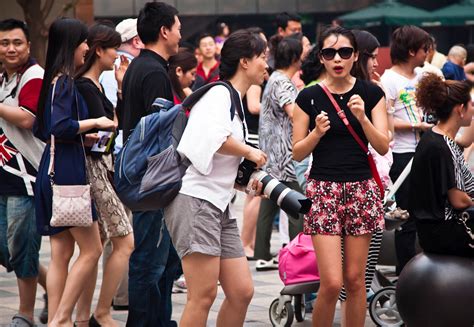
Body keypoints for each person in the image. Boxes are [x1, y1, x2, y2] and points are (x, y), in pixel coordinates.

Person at [164, 28, 268, 327]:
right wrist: (250, 151)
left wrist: (247, 181)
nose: (266, 64)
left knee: (242, 291)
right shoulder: (219, 94)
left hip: (218, 204)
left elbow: (216, 156)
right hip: (197, 201)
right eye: (262, 57)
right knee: (203, 295)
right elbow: (214, 138)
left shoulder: (232, 98)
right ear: (245, 62)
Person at [293, 26, 389, 327]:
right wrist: (316, 134)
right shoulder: (307, 96)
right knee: (333, 282)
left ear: (355, 55)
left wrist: (361, 118)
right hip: (323, 189)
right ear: (321, 57)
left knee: (356, 280)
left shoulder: (371, 93)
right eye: (330, 53)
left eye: (345, 52)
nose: (338, 59)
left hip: (361, 188)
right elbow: (296, 152)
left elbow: (383, 144)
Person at [33, 18, 116, 326]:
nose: (86, 48)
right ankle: (62, 319)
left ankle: (59, 320)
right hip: (66, 173)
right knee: (92, 249)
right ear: (72, 44)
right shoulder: (65, 82)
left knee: (61, 253)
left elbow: (46, 129)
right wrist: (95, 123)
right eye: (83, 42)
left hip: (52, 169)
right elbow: (58, 126)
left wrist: (82, 134)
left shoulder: (53, 81)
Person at [120, 2, 181, 326]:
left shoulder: (140, 67)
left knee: (163, 263)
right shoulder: (154, 72)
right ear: (164, 31)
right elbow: (159, 137)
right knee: (149, 264)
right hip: (151, 184)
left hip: (142, 180)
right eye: (178, 27)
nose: (180, 34)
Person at [74, 24, 134, 327]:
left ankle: (84, 317)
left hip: (102, 166)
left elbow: (114, 127)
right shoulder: (84, 86)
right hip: (93, 169)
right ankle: (101, 313)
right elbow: (100, 131)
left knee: (94, 249)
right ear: (99, 50)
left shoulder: (95, 85)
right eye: (114, 49)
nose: (118, 55)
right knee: (124, 241)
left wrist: (121, 89)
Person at [0, 18, 48, 326]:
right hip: (4, 177)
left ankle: (26, 314)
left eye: (17, 42)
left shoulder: (33, 76)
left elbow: (27, 118)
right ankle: (55, 288)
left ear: (28, 45)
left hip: (26, 178)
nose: (11, 48)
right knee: (9, 250)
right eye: (4, 43)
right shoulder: (3, 80)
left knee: (22, 249)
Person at [380, 25, 432, 276]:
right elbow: (385, 121)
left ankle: (426, 271)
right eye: (424, 49)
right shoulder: (388, 80)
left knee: (428, 214)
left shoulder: (424, 76)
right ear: (412, 51)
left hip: (425, 151)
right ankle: (405, 275)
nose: (427, 53)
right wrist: (416, 124)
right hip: (402, 155)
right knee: (406, 218)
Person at [254, 34, 304, 271]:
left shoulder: (273, 78)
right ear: (294, 58)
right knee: (297, 205)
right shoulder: (283, 82)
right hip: (284, 155)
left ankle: (262, 253)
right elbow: (293, 112)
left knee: (269, 204)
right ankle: (298, 253)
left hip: (271, 152)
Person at [409, 73, 474, 257]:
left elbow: (466, 142)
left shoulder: (433, 137)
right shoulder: (444, 146)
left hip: (432, 230)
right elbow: (459, 200)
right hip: (446, 231)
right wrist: (470, 201)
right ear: (460, 110)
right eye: (471, 105)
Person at [100, 18, 144, 156]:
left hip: (119, 148)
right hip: (119, 150)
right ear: (136, 41)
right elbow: (109, 116)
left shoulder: (112, 65)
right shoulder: (119, 67)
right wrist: (103, 151)